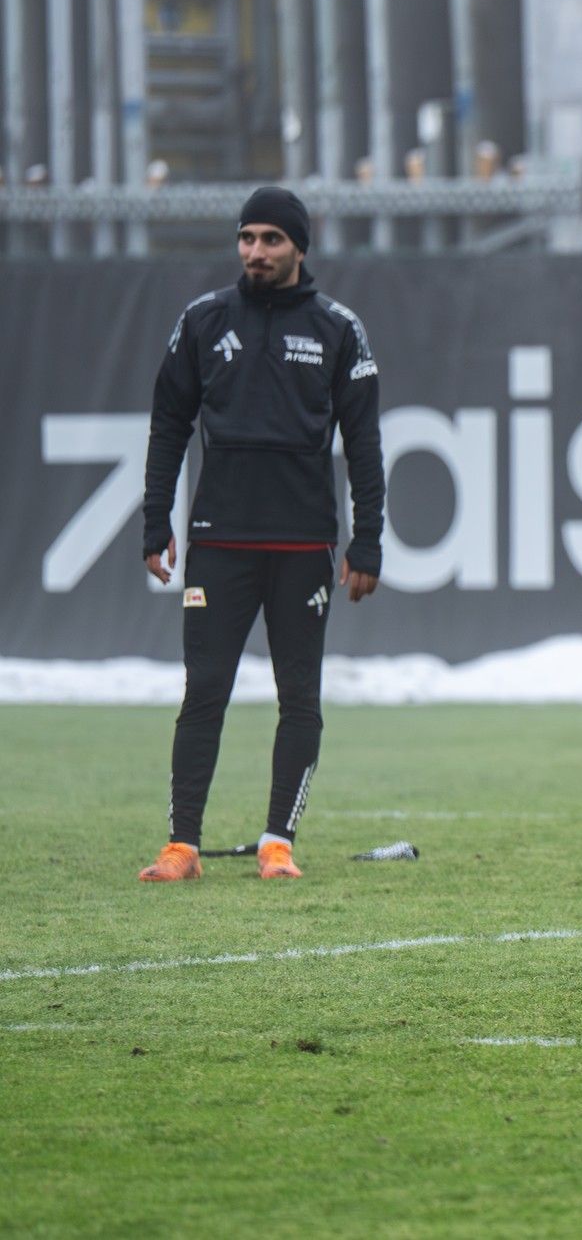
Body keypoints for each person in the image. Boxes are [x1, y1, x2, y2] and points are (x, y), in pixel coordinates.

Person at [136, 186, 386, 882]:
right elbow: (168, 426)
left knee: (299, 696)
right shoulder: (203, 320)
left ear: (298, 247)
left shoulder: (339, 328)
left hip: (304, 544)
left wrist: (368, 539)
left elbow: (365, 443)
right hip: (219, 541)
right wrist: (156, 520)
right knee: (204, 690)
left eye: (271, 239)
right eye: (247, 238)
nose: (255, 251)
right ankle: (182, 846)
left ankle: (278, 843)